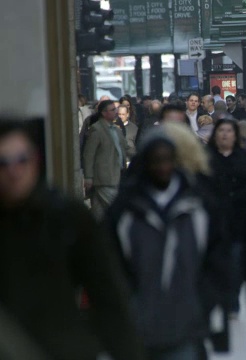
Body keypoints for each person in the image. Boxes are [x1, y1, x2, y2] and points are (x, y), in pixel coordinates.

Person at [0, 119, 145, 360]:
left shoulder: (66, 217)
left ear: (35, 161)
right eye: (3, 163)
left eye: (21, 160)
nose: (14, 172)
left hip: (62, 347)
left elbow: (108, 295)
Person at [105, 127, 231, 359]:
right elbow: (108, 265)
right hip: (137, 327)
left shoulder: (199, 205)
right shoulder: (124, 211)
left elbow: (217, 261)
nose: (163, 167)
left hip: (186, 324)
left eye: (167, 160)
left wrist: (205, 304)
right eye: (155, 161)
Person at [207, 119, 246, 312]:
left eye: (229, 131)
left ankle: (232, 299)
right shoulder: (207, 158)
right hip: (213, 219)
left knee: (237, 261)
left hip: (240, 218)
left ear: (235, 135)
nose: (225, 134)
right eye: (221, 130)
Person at [82, 100, 133, 220]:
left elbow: (126, 148)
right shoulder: (96, 129)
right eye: (112, 110)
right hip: (104, 177)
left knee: (98, 212)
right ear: (104, 113)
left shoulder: (116, 130)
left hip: (116, 175)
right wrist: (88, 177)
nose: (116, 112)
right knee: (117, 209)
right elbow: (89, 154)